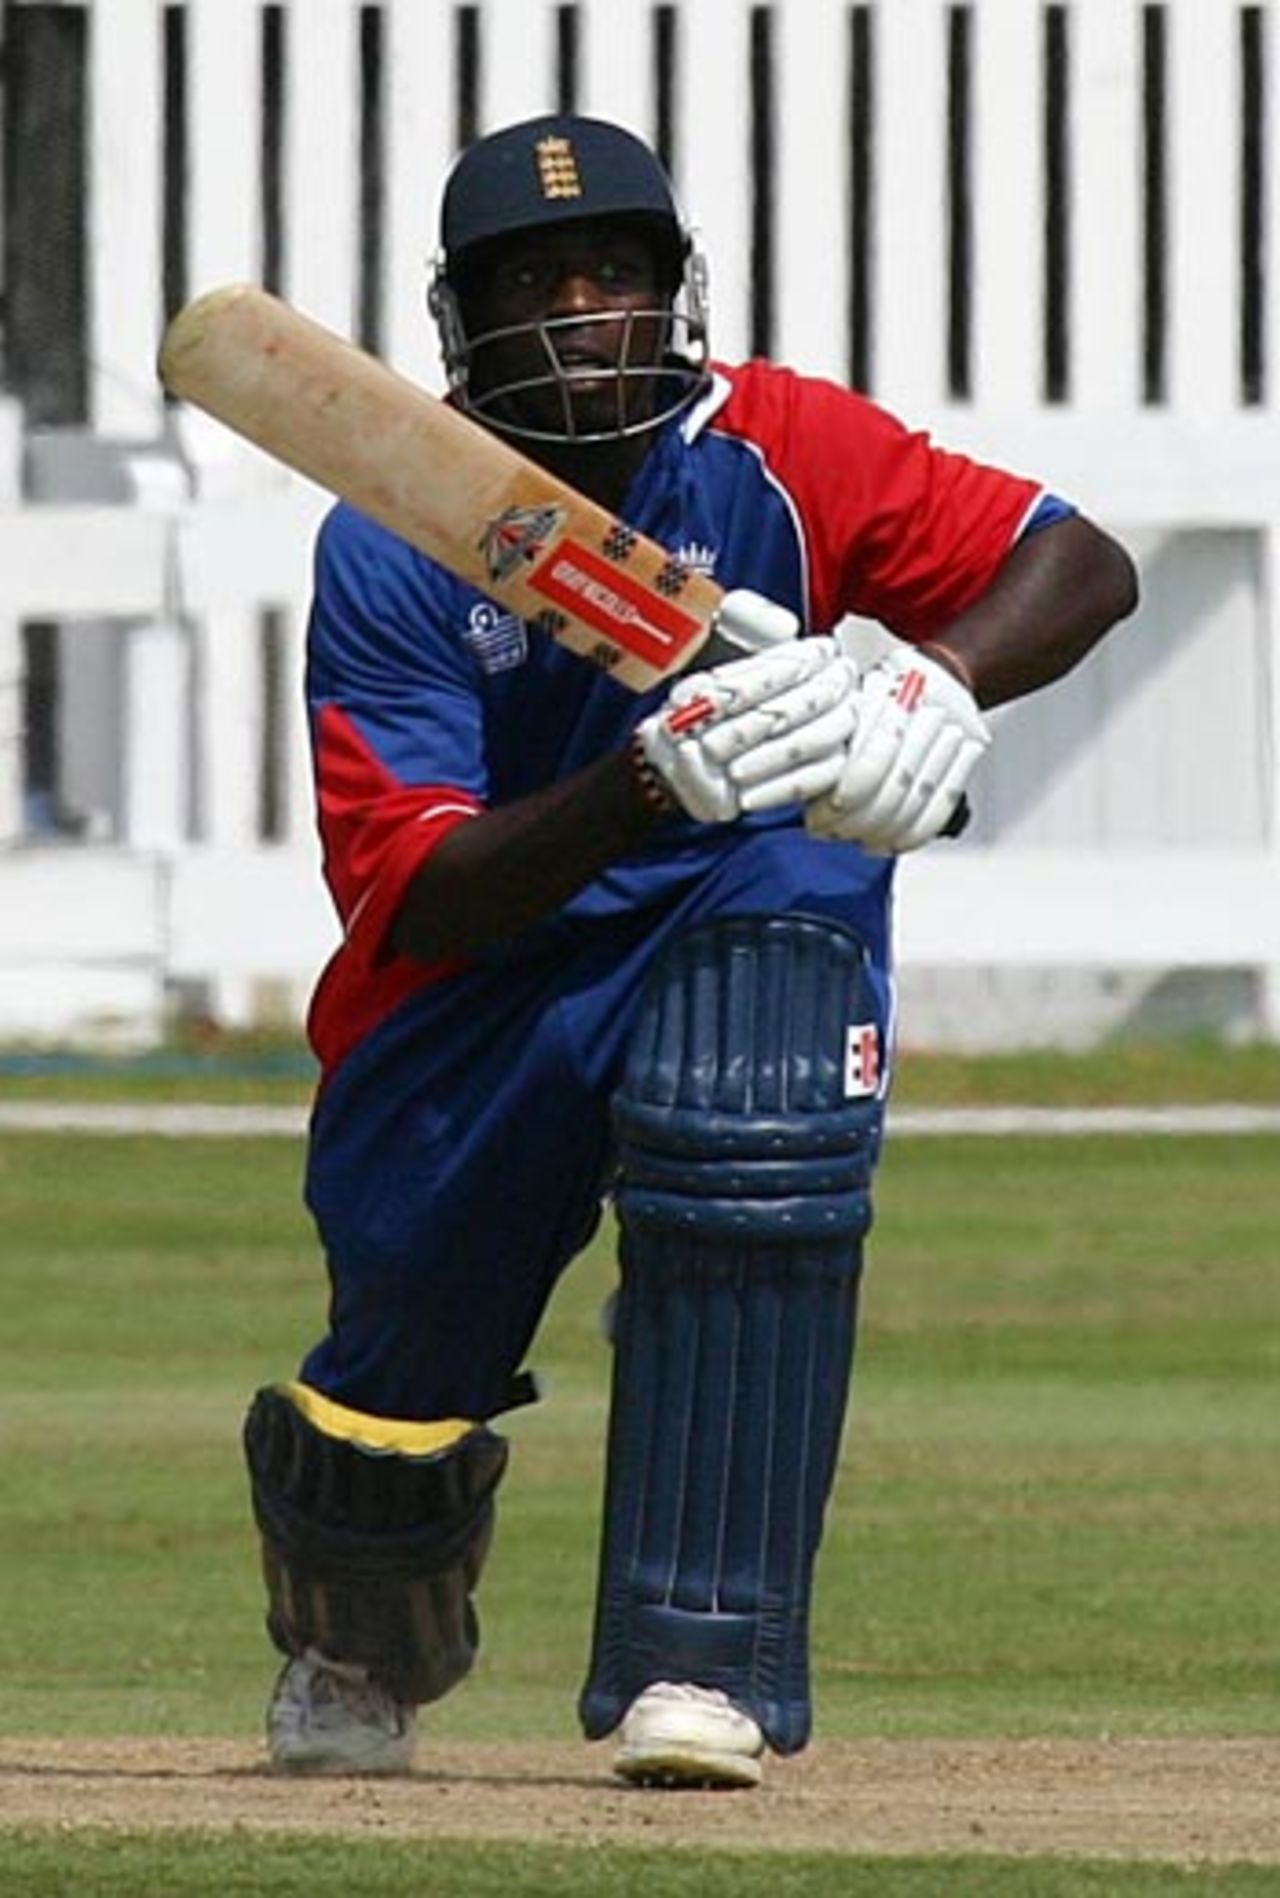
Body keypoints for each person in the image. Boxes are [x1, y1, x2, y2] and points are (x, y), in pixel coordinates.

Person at [242, 112, 1137, 1789]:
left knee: (757, 1088)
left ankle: (697, 1659)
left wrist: (930, 677)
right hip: (483, 973)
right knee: (401, 1371)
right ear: (465, 316)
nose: (583, 312)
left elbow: (1078, 563)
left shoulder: (781, 444)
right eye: (535, 283)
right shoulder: (399, 527)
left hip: (739, 902)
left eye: (614, 275)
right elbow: (420, 893)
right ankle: (358, 1642)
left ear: (674, 293)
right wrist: (643, 779)